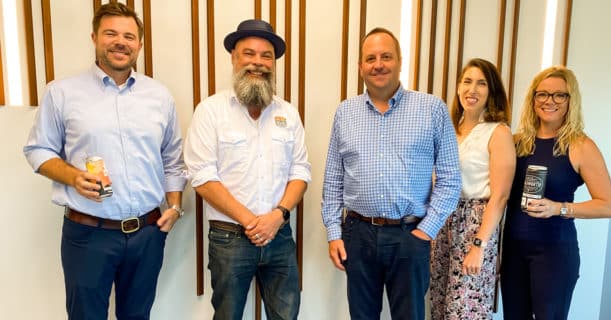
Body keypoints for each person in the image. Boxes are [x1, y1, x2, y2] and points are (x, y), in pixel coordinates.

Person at [23, 3, 187, 320]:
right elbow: (38, 150)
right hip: (88, 233)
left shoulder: (159, 96)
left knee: (137, 316)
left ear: (139, 44)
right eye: (110, 33)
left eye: (128, 35)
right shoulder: (62, 92)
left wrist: (175, 206)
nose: (120, 42)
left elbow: (172, 159)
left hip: (147, 232)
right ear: (95, 37)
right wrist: (73, 177)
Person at [321, 27, 461, 320]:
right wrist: (334, 233)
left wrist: (426, 231)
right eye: (370, 58)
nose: (378, 64)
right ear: (360, 67)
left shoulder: (432, 109)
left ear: (399, 61)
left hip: (410, 233)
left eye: (386, 56)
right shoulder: (345, 113)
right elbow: (333, 179)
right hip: (357, 235)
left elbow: (450, 179)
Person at [183, 19, 311, 320]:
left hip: (279, 237)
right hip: (229, 239)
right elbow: (202, 177)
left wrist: (276, 217)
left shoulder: (288, 113)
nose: (258, 62)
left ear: (274, 62)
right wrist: (253, 222)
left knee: (286, 316)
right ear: (234, 57)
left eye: (266, 55)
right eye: (249, 54)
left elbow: (301, 171)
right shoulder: (210, 111)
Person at [500, 66, 611, 320]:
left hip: (554, 256)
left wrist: (559, 208)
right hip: (512, 253)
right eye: (542, 94)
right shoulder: (517, 142)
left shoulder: (580, 146)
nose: (549, 101)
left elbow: (608, 205)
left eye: (559, 95)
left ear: (570, 101)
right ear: (533, 99)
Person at [429, 58, 516, 319]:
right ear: (458, 88)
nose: (472, 89)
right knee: (439, 306)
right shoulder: (447, 130)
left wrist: (479, 245)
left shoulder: (497, 132)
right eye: (467, 81)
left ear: (491, 91)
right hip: (442, 222)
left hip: (475, 225)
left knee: (465, 310)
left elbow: (500, 197)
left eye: (481, 83)